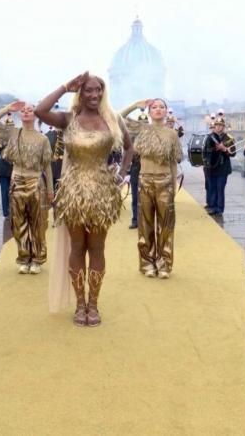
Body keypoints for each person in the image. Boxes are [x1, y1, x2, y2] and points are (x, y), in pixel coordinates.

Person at [35, 72, 133, 326]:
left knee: (97, 248)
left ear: (103, 92)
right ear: (81, 92)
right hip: (73, 192)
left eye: (98, 90)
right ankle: (80, 304)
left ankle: (94, 304)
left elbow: (130, 148)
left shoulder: (113, 120)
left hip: (102, 193)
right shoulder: (69, 119)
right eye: (88, 90)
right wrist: (65, 86)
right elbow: (40, 110)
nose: (94, 95)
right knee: (77, 247)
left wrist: (122, 174)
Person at [0, 101, 54, 274]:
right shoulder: (13, 133)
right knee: (18, 222)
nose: (26, 112)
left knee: (38, 223)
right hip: (17, 180)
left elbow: (47, 166)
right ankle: (24, 258)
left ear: (35, 114)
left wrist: (50, 190)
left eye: (30, 110)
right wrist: (6, 109)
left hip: (35, 182)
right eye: (23, 110)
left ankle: (37, 259)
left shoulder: (43, 139)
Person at [127, 98, 182, 278]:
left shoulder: (172, 134)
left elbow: (173, 163)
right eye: (154, 107)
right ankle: (147, 263)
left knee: (166, 226)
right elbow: (117, 118)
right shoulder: (141, 130)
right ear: (149, 112)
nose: (158, 110)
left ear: (166, 111)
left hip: (165, 180)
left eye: (161, 107)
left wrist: (173, 187)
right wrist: (136, 105)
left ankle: (164, 264)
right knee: (145, 225)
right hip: (145, 180)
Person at [120, 103, 148, 229]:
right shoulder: (133, 131)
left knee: (150, 195)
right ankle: (136, 220)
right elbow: (121, 116)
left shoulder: (155, 131)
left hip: (151, 167)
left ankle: (149, 221)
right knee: (136, 195)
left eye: (146, 122)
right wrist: (136, 106)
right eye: (142, 123)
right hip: (137, 166)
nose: (144, 125)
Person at [202, 116, 236, 216]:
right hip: (212, 167)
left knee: (220, 188)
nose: (218, 127)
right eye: (217, 125)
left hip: (222, 167)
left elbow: (233, 153)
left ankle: (219, 209)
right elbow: (206, 150)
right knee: (212, 187)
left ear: (223, 127)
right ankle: (212, 206)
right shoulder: (210, 137)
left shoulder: (228, 138)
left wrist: (224, 149)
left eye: (220, 125)